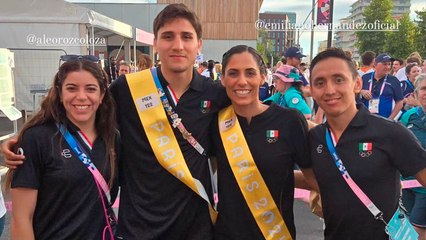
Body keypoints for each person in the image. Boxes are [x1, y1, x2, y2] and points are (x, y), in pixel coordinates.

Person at [309, 47, 426, 240]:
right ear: (312, 90)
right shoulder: (316, 138)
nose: (330, 90)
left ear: (357, 84)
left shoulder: (390, 132)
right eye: (320, 83)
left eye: (339, 80)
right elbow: (316, 177)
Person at [213, 44, 317, 240]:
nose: (242, 81)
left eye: (250, 73)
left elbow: (311, 177)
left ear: (262, 77)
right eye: (233, 73)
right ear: (223, 79)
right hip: (227, 234)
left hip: (276, 234)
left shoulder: (290, 121)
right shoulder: (215, 123)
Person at [7, 56, 118, 239]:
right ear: (59, 93)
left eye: (91, 89)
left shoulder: (113, 138)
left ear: (102, 95)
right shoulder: (37, 139)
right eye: (71, 88)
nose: (81, 96)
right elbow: (21, 218)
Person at [400, 73, 426, 240]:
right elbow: (397, 146)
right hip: (406, 184)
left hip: (425, 188)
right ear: (416, 94)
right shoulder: (409, 116)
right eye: (424, 89)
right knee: (408, 227)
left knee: (416, 231)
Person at [360, 53, 404, 119]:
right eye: (385, 64)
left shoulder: (394, 80)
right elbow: (354, 92)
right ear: (375, 64)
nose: (388, 67)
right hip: (366, 119)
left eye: (389, 64)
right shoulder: (365, 78)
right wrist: (361, 91)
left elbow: (400, 102)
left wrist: (390, 119)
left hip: (385, 120)